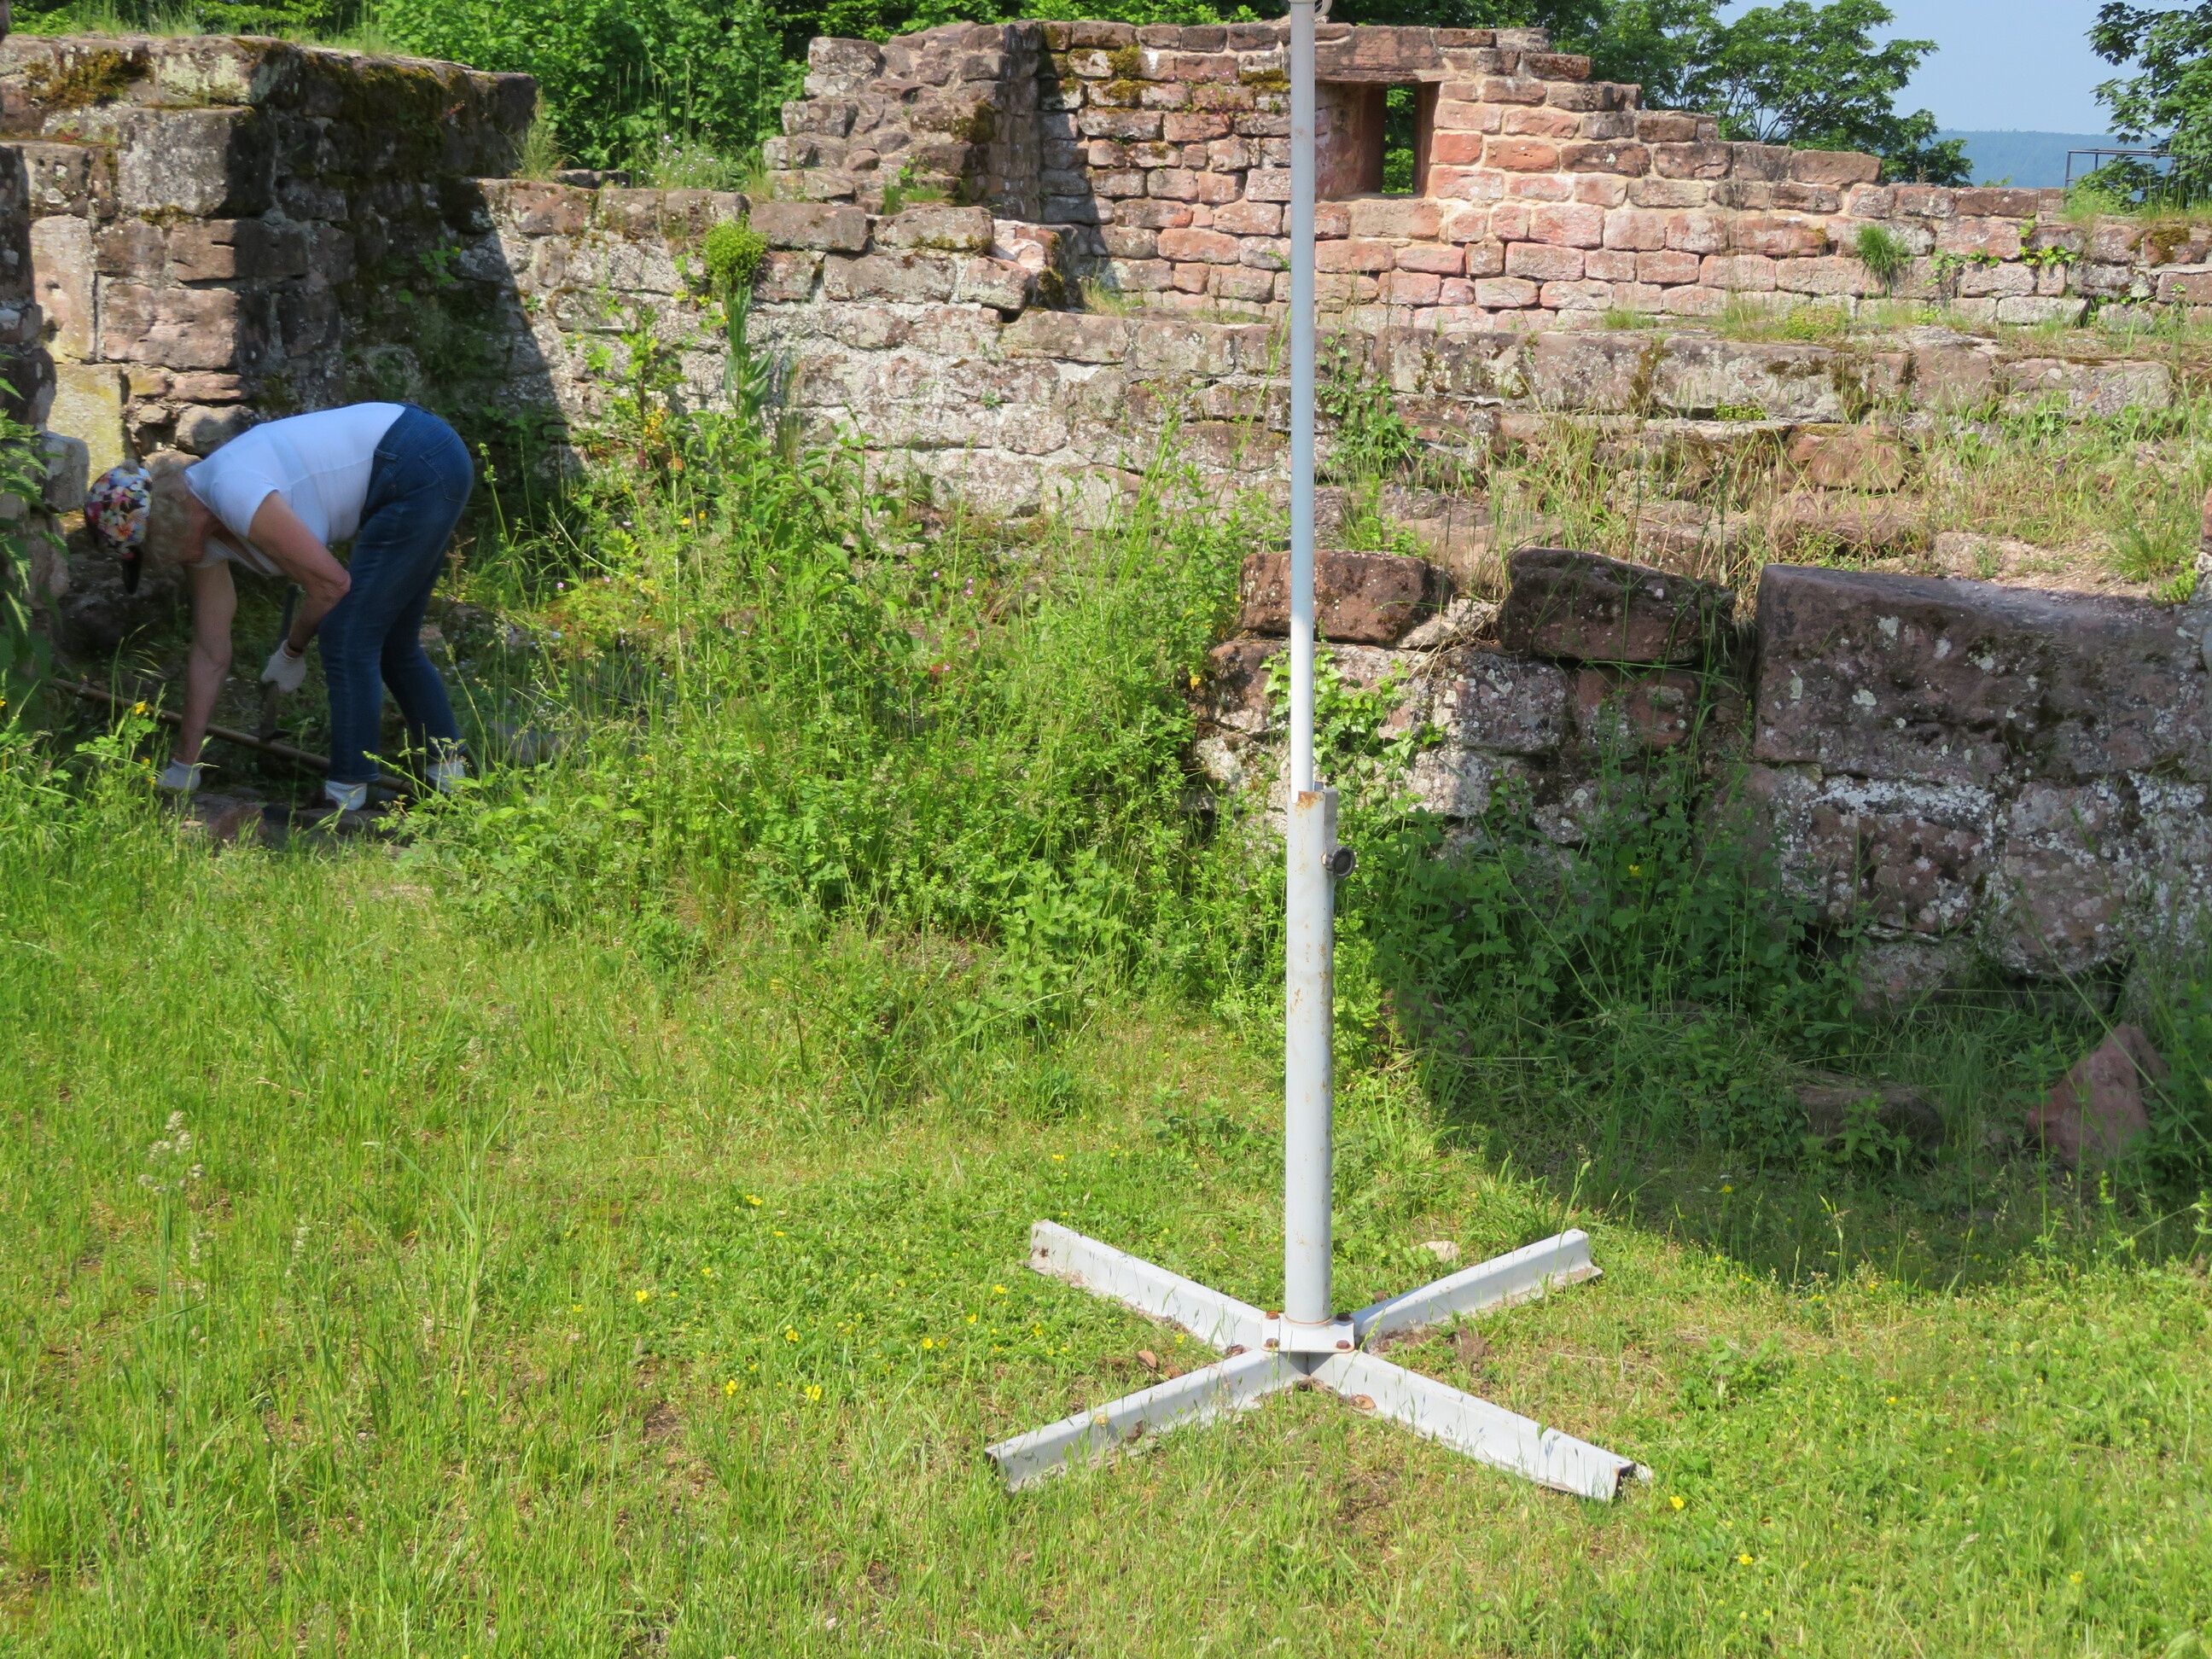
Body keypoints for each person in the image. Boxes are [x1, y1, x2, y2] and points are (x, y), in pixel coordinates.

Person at [83, 402, 474, 812]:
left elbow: (331, 585)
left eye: (149, 553)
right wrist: (185, 764)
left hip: (416, 459)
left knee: (346, 634)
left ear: (161, 527)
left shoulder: (232, 492)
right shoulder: (198, 533)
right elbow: (210, 652)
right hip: (423, 459)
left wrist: (291, 651)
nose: (159, 563)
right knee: (393, 640)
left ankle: (345, 793)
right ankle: (452, 779)